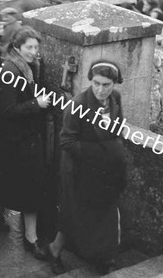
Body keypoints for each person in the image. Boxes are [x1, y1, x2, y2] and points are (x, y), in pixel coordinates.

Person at [44, 61, 130, 275]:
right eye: (96, 83)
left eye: (107, 85)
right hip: (78, 169)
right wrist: (104, 150)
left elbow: (117, 129)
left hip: (104, 169)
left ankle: (104, 256)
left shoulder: (116, 100)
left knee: (105, 212)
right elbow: (67, 142)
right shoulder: (78, 104)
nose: (101, 90)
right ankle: (54, 250)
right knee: (75, 215)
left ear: (115, 84)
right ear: (90, 81)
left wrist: (114, 151)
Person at [0, 26, 51, 260]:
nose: (34, 52)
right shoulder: (10, 70)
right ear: (17, 47)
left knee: (32, 189)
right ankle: (29, 238)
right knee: (26, 189)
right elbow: (6, 109)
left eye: (37, 47)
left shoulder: (29, 68)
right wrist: (36, 105)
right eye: (30, 47)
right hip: (15, 142)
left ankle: (31, 236)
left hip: (28, 139)